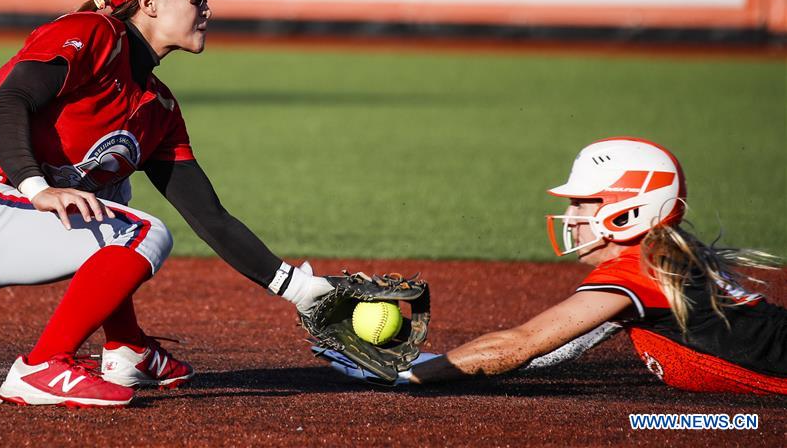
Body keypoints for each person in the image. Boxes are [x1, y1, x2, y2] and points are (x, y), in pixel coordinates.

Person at [0, 0, 333, 407]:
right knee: (141, 232)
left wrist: (301, 289)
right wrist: (36, 188)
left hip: (4, 220)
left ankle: (127, 347)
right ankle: (41, 366)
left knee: (112, 191)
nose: (207, 7)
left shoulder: (157, 107)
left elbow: (210, 217)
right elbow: (8, 102)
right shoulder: (92, 32)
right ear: (149, 2)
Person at [324, 137, 786, 394]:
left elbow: (518, 345)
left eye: (585, 204)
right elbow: (553, 349)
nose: (571, 218)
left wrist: (403, 373)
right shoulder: (659, 262)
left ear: (628, 213)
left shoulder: (635, 272)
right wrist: (424, 360)